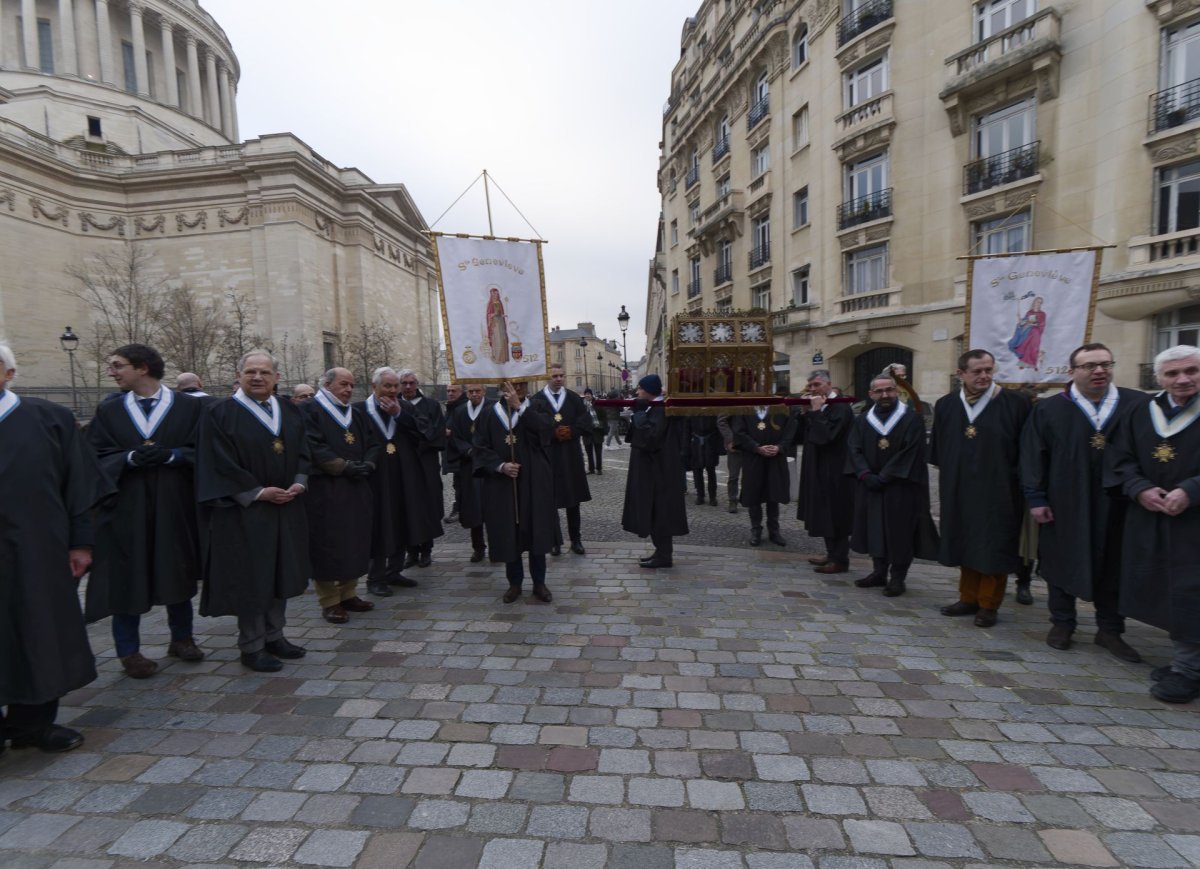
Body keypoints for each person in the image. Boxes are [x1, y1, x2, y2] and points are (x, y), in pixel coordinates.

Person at [0, 343, 99, 754]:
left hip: (37, 550)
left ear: (9, 372)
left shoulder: (49, 418)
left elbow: (80, 485)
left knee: (40, 632)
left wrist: (82, 541)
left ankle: (34, 725)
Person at [1021, 343, 1147, 661]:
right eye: (1089, 366)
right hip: (1065, 500)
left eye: (1105, 364)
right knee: (1061, 559)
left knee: (1115, 565)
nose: (1099, 371)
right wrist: (1036, 497)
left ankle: (1110, 630)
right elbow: (1033, 455)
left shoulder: (1136, 404)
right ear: (1072, 371)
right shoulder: (1049, 409)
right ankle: (1063, 623)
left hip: (1119, 502)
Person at [87, 343, 206, 679]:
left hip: (174, 504)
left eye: (117, 365)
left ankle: (182, 638)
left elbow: (205, 450)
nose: (112, 371)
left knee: (176, 568)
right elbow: (93, 455)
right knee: (127, 575)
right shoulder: (110, 411)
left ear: (142, 368)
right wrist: (125, 459)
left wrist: (174, 456)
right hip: (127, 508)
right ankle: (129, 651)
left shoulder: (187, 408)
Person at [196, 349, 311, 673]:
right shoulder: (220, 413)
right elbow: (217, 460)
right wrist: (257, 492)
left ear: (276, 377)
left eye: (264, 372)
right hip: (244, 513)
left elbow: (305, 450)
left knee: (281, 572)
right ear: (239, 375)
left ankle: (276, 636)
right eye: (250, 372)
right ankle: (252, 645)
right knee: (251, 578)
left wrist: (300, 483)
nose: (257, 377)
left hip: (286, 507)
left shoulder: (289, 409)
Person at [1105, 345, 1200, 703]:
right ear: (1159, 378)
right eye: (1173, 374)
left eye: (1191, 370)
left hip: (1194, 522)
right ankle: (1187, 661)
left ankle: (1188, 671)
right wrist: (1138, 488)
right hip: (1153, 517)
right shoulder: (1142, 412)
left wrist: (1191, 490)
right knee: (1165, 589)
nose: (1183, 379)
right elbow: (1120, 459)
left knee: (1192, 592)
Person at [931, 349, 1031, 628]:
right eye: (977, 371)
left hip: (999, 489)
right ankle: (968, 597)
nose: (984, 376)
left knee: (993, 544)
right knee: (964, 540)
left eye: (988, 369)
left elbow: (1027, 450)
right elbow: (939, 450)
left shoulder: (1016, 402)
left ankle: (989, 603)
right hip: (958, 488)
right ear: (961, 374)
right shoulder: (946, 404)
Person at [846, 376, 939, 597]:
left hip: (901, 486)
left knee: (900, 532)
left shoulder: (911, 419)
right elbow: (853, 448)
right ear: (871, 395)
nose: (885, 395)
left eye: (889, 390)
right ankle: (879, 572)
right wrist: (866, 474)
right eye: (879, 391)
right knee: (874, 528)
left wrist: (885, 476)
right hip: (871, 485)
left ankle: (898, 577)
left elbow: (911, 452)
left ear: (897, 392)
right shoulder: (862, 420)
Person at [303, 367, 379, 624]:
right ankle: (330, 601)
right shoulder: (310, 411)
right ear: (327, 384)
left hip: (356, 486)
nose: (348, 390)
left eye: (351, 385)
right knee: (328, 543)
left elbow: (372, 442)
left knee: (354, 541)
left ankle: (349, 593)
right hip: (326, 489)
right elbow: (312, 445)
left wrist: (368, 463)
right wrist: (341, 466)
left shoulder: (355, 414)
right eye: (343, 384)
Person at [473, 380, 556, 602]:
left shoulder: (537, 406)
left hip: (534, 481)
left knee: (536, 531)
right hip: (503, 483)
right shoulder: (490, 413)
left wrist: (520, 407)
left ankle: (539, 583)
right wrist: (500, 466)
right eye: (512, 385)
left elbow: (547, 431)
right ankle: (514, 583)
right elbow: (479, 446)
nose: (517, 389)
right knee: (509, 533)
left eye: (521, 385)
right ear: (502, 386)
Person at [356, 367, 417, 597]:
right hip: (375, 478)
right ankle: (376, 576)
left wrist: (399, 415)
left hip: (402, 475)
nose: (392, 391)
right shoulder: (359, 410)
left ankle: (395, 570)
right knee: (379, 525)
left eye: (395, 386)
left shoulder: (405, 408)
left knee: (400, 520)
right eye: (387, 386)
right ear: (374, 387)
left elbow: (423, 433)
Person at [622, 374, 688, 568]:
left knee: (661, 512)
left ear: (649, 391)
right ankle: (660, 551)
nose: (637, 391)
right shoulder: (654, 407)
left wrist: (640, 414)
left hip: (658, 471)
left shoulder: (660, 410)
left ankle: (664, 555)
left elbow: (651, 437)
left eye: (640, 388)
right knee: (653, 511)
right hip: (651, 470)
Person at [796, 369, 855, 573]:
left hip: (835, 471)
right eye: (810, 385)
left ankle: (840, 559)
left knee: (836, 514)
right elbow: (806, 435)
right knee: (823, 512)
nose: (813, 389)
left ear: (828, 384)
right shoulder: (819, 406)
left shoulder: (841, 407)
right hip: (818, 467)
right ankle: (831, 554)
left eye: (817, 385)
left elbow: (827, 437)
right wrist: (805, 414)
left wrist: (815, 412)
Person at [532, 364, 591, 556]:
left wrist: (571, 431)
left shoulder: (574, 398)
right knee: (550, 500)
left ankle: (576, 539)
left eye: (561, 376)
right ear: (547, 378)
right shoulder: (538, 400)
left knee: (573, 500)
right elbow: (532, 426)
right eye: (554, 376)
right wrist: (551, 432)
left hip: (570, 455)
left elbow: (585, 421)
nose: (558, 379)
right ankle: (554, 541)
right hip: (548, 455)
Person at [395, 369, 446, 568]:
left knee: (427, 505)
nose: (408, 387)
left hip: (425, 462)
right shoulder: (394, 405)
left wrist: (420, 445)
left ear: (417, 384)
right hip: (402, 464)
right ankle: (411, 551)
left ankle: (426, 549)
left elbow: (437, 433)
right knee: (407, 505)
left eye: (411, 383)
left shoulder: (431, 406)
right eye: (404, 383)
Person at [731, 405, 796, 545]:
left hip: (775, 457)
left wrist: (780, 447)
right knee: (754, 493)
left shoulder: (781, 408)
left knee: (774, 493)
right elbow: (739, 432)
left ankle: (774, 531)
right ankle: (756, 530)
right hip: (753, 458)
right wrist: (755, 447)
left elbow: (790, 430)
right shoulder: (745, 409)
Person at [448, 383, 491, 562]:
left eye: (477, 391)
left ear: (484, 391)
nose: (474, 394)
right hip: (468, 465)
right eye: (471, 391)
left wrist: (484, 451)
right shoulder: (459, 411)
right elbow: (455, 436)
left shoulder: (492, 408)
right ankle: (478, 547)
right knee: (473, 508)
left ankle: (497, 546)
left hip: (490, 465)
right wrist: (468, 450)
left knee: (492, 506)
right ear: (467, 393)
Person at [686, 415, 724, 506]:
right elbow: (686, 431)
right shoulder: (691, 412)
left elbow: (718, 430)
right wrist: (685, 447)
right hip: (695, 444)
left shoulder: (712, 412)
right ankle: (700, 496)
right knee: (697, 471)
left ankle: (712, 497)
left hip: (710, 444)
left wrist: (720, 447)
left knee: (711, 471)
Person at [443, 383, 467, 522]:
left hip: (462, 452)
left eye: (454, 391)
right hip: (452, 451)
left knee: (462, 483)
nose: (450, 393)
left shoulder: (462, 407)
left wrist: (451, 432)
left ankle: (460, 509)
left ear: (461, 392)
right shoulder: (451, 406)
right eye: (448, 391)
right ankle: (459, 508)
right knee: (457, 483)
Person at [716, 414, 743, 514]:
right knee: (733, 476)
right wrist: (731, 439)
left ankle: (746, 498)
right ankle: (733, 500)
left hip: (751, 444)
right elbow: (721, 421)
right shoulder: (733, 400)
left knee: (751, 475)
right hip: (735, 445)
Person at [582, 388, 606, 475]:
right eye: (586, 394)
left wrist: (603, 428)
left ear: (592, 395)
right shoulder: (582, 406)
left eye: (588, 393)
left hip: (597, 431)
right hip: (587, 432)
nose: (587, 395)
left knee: (598, 452)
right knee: (589, 453)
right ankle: (591, 469)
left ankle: (599, 469)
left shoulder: (598, 404)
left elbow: (604, 417)